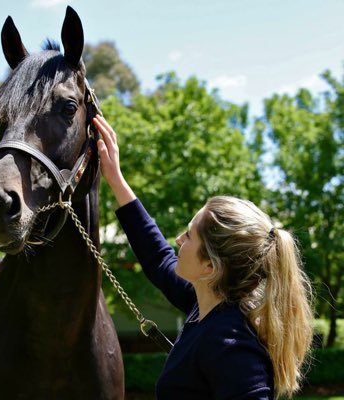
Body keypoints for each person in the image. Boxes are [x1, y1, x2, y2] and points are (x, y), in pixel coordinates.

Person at [92, 115, 314, 399]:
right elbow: (159, 259)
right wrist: (116, 179)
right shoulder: (207, 306)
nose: (178, 241)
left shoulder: (231, 345)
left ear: (210, 266)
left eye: (188, 236)